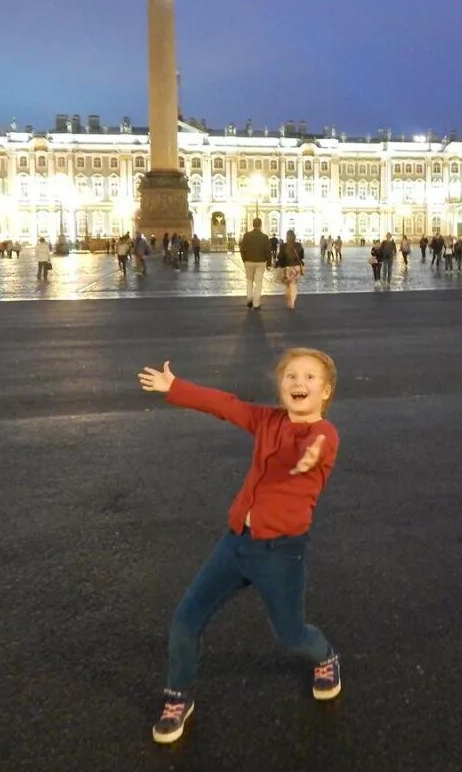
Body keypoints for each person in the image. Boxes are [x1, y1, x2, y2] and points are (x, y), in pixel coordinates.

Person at [137, 348, 343, 745]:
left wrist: (310, 455)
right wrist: (175, 387)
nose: (298, 383)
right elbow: (225, 406)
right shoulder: (267, 420)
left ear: (326, 390)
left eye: (309, 377)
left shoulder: (324, 434)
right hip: (236, 544)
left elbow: (319, 445)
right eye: (290, 376)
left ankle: (326, 656)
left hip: (281, 553)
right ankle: (178, 696)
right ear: (281, 387)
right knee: (186, 618)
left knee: (291, 634)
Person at [239, 217, 273, 309]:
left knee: (249, 280)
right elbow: (268, 251)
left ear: (253, 225)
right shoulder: (265, 237)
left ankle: (249, 299)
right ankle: (256, 304)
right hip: (261, 262)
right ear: (260, 225)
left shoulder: (246, 235)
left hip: (249, 261)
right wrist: (269, 263)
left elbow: (242, 249)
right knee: (258, 283)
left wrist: (244, 259)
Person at [274, 229, 306, 309]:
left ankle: (290, 302)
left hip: (287, 267)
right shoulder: (299, 245)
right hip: (296, 267)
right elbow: (302, 256)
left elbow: (280, 257)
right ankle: (292, 301)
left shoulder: (283, 246)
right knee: (293, 284)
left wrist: (278, 263)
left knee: (288, 285)